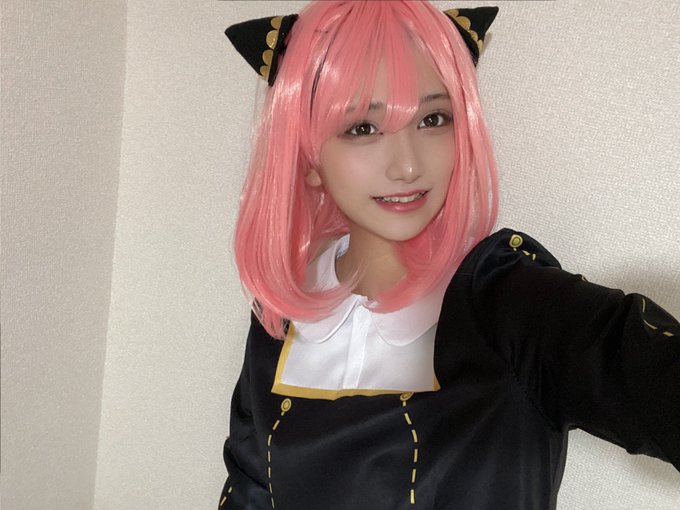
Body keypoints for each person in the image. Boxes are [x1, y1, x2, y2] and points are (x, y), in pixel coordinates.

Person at [220, 1, 679, 508]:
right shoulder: (282, 319)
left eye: (433, 119)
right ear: (307, 156)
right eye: (362, 128)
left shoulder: (509, 300)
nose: (407, 166)